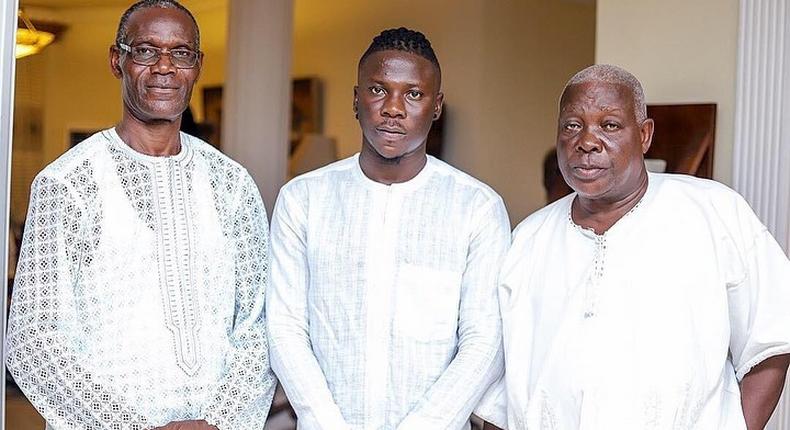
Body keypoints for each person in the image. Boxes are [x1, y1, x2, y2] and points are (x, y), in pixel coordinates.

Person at [5, 1, 276, 429]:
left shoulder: (232, 185)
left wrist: (218, 423)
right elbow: (33, 341)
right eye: (146, 51)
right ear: (118, 60)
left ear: (197, 66)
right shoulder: (68, 185)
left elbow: (259, 322)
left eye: (181, 53)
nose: (165, 67)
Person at [495, 64, 790, 429]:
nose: (587, 141)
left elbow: (773, 335)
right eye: (572, 126)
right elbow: (501, 385)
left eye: (610, 125)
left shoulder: (714, 212)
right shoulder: (528, 239)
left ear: (644, 134)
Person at [267, 27, 509, 430]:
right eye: (378, 90)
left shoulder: (477, 208)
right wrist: (325, 422)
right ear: (356, 100)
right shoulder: (303, 200)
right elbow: (285, 327)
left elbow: (485, 341)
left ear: (436, 106)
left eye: (413, 94)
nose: (393, 108)